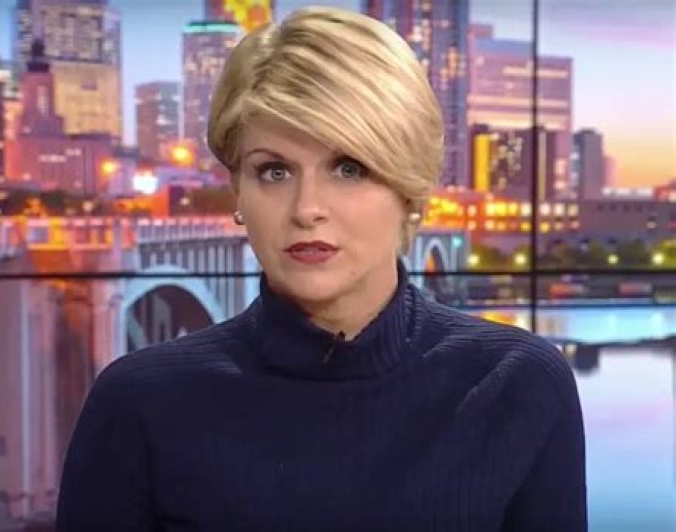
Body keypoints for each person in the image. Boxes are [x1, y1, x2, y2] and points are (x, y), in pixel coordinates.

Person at [56, 6, 587, 531]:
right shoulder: (139, 403)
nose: (307, 208)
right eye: (274, 171)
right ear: (238, 192)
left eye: (348, 168)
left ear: (409, 191)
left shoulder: (516, 384)